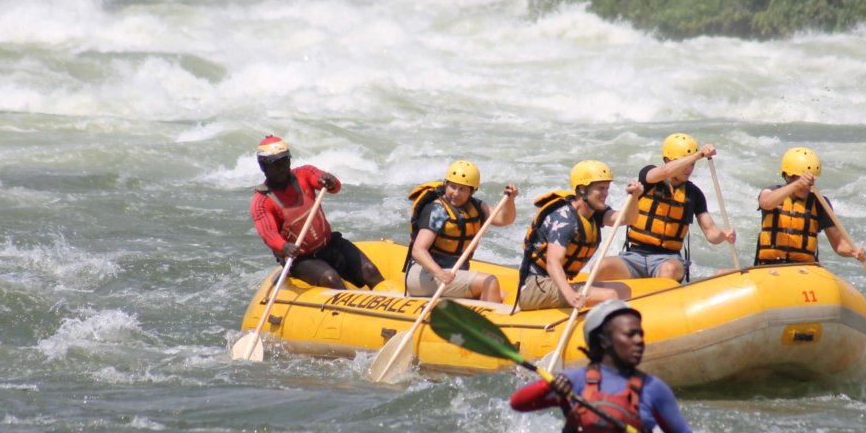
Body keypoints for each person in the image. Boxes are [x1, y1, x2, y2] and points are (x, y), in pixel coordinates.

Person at [508, 300, 718, 433]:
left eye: (640, 334)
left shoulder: (653, 388)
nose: (639, 341)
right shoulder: (576, 380)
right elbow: (518, 403)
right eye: (630, 335)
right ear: (604, 342)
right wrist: (548, 385)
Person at [598, 133, 737, 282]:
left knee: (669, 270)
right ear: (668, 160)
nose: (689, 169)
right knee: (601, 267)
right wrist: (698, 155)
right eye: (684, 163)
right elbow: (664, 172)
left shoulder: (694, 194)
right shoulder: (648, 177)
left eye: (692, 164)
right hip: (634, 256)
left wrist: (723, 235)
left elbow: (711, 233)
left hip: (669, 259)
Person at [250, 135, 384, 289]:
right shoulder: (262, 201)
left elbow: (333, 186)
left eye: (285, 161)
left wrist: (330, 181)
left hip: (329, 245)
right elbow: (269, 234)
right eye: (276, 164)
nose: (282, 167)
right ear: (263, 167)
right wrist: (284, 247)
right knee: (330, 278)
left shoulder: (304, 173)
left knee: (370, 270)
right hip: (299, 258)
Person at [515, 161, 642, 311]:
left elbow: (628, 219)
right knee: (610, 295)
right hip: (534, 286)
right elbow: (553, 262)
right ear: (582, 189)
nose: (605, 194)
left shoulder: (595, 212)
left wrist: (634, 197)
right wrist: (569, 294)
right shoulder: (564, 220)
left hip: (554, 284)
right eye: (600, 189)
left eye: (607, 188)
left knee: (623, 290)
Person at [403, 161, 519, 302]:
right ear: (446, 185)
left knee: (503, 296)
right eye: (452, 187)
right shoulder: (438, 210)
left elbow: (505, 219)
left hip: (452, 274)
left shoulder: (475, 206)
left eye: (462, 189)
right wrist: (439, 273)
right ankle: (490, 323)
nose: (455, 193)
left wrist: (510, 199)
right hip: (426, 276)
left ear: (471, 191)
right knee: (489, 281)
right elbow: (418, 250)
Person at [754, 147, 866, 266]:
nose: (806, 186)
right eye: (800, 178)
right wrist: (797, 184)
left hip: (804, 269)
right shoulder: (771, 191)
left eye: (809, 180)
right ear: (788, 176)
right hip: (769, 267)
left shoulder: (819, 203)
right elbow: (766, 203)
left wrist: (853, 251)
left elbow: (839, 244)